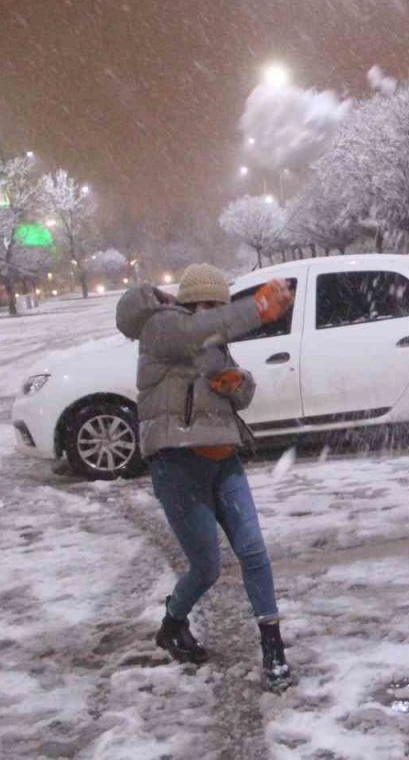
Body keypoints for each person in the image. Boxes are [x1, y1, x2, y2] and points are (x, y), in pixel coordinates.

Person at [115, 264, 296, 692]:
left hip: (223, 459)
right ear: (189, 304)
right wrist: (258, 307)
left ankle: (273, 644)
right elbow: (203, 330)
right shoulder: (162, 330)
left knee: (253, 550)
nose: (215, 314)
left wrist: (237, 382)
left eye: (220, 305)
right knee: (207, 566)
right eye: (208, 306)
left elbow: (244, 395)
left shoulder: (211, 344)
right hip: (177, 466)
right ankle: (172, 622)